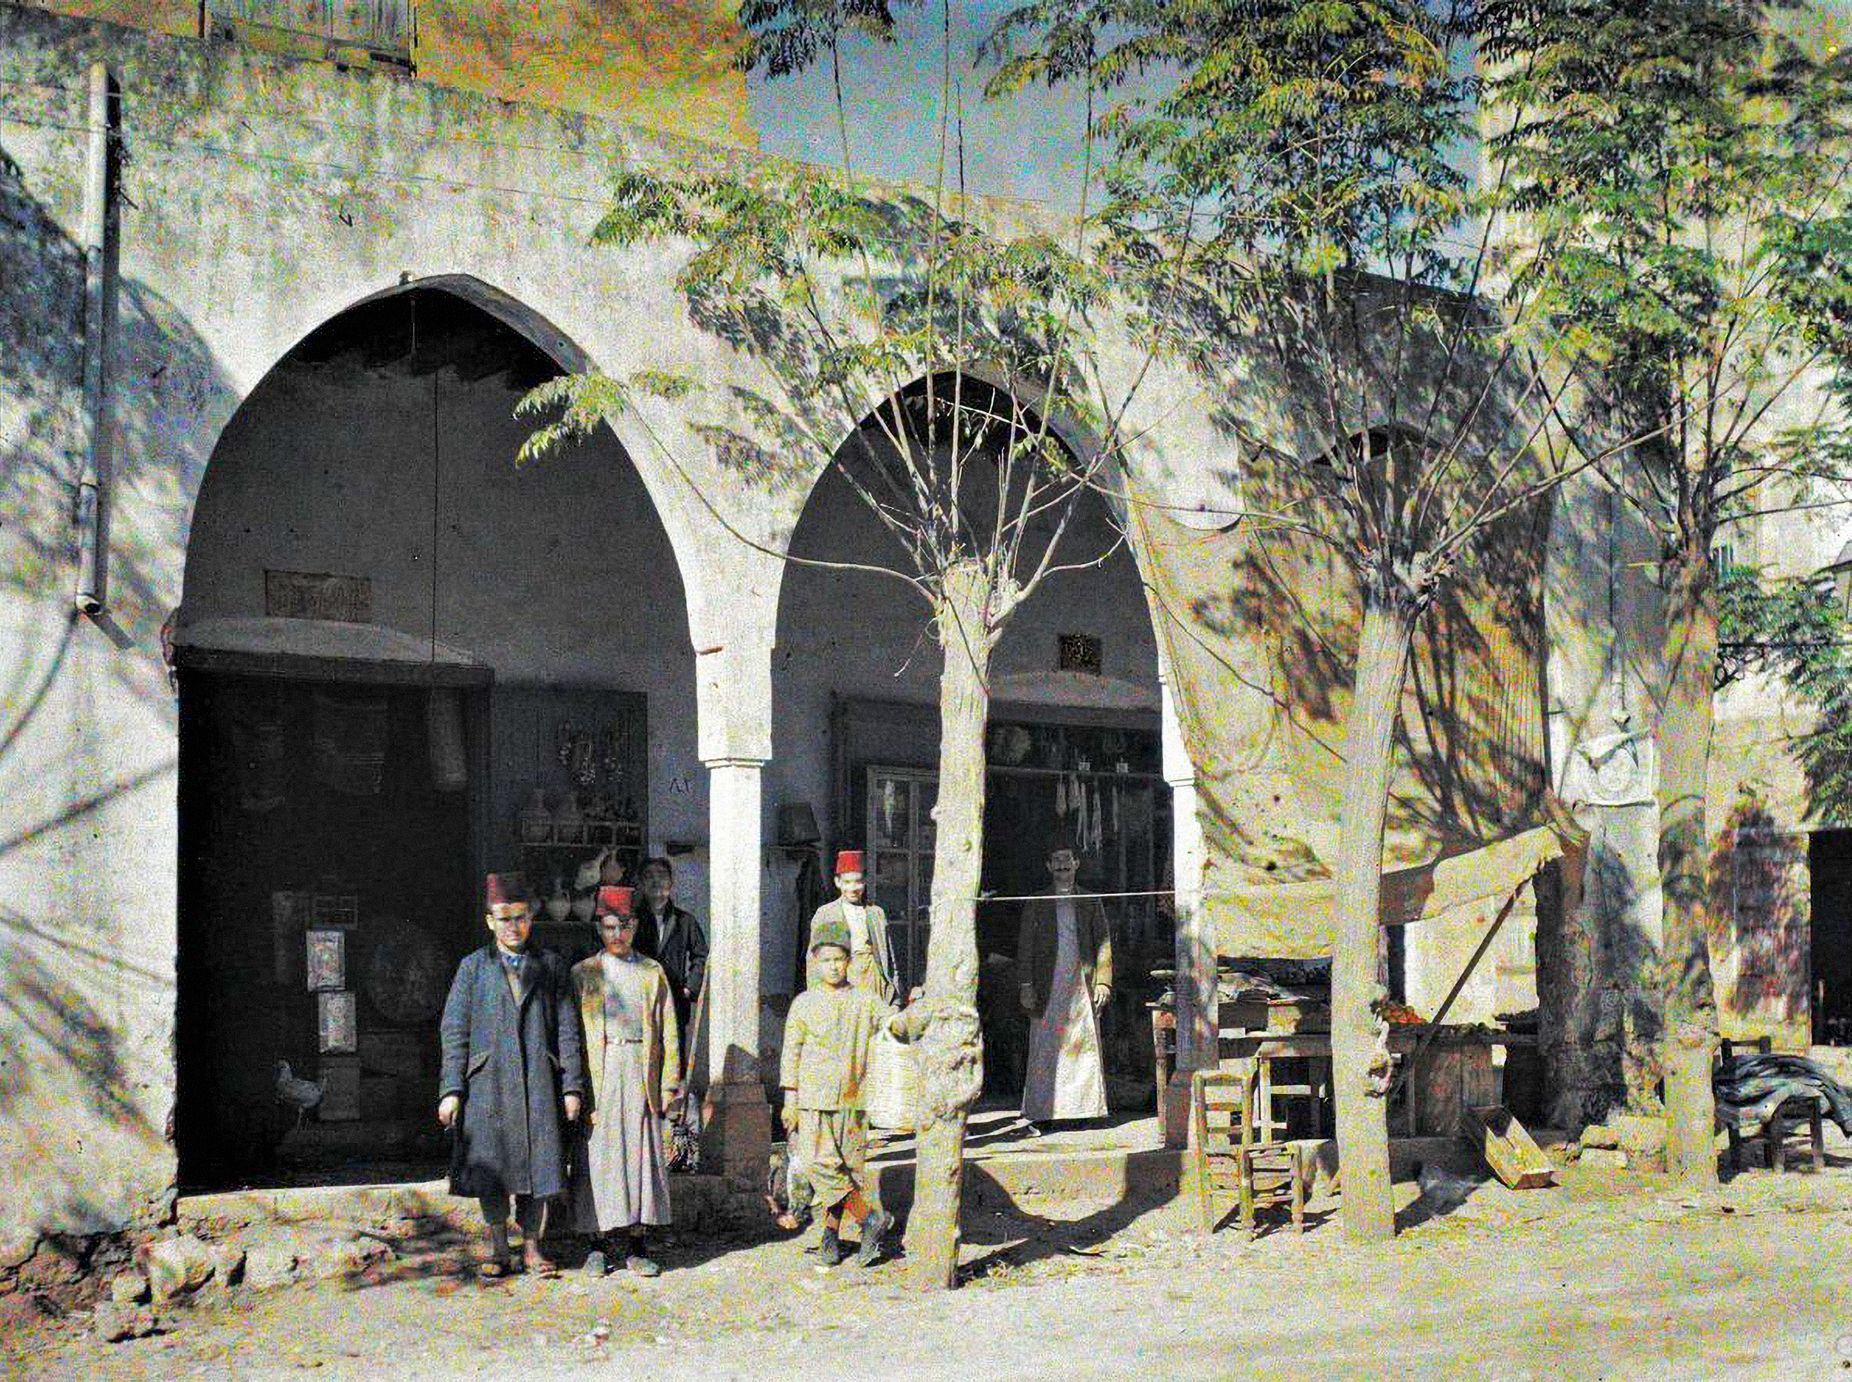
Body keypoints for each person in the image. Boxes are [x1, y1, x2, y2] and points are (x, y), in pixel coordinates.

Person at [438, 872, 585, 1278]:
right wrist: (451, 1090)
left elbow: (568, 1029)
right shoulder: (472, 969)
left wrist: (571, 1086)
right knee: (492, 1169)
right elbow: (455, 1031)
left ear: (531, 917)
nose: (513, 927)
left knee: (539, 1168)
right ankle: (498, 1248)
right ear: (490, 921)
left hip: (539, 1080)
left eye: (520, 918)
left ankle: (533, 1248)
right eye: (504, 919)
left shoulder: (552, 966)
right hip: (488, 1084)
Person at [780, 919, 912, 1267]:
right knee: (818, 1163)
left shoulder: (864, 1001)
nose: (833, 966)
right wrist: (790, 1098)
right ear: (815, 962)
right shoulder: (804, 1004)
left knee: (848, 1170)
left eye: (839, 959)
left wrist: (912, 1014)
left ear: (849, 961)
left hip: (853, 1100)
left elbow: (893, 1023)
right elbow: (790, 1053)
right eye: (826, 960)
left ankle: (830, 1239)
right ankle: (870, 1218)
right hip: (812, 1100)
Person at [570, 885, 680, 1278]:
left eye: (626, 926)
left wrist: (669, 1083)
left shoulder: (652, 973)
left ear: (636, 926)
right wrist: (576, 1087)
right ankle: (597, 1244)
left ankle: (636, 1243)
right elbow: (571, 1035)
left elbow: (668, 1029)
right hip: (600, 1069)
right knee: (599, 1157)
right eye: (610, 926)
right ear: (599, 927)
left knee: (639, 1156)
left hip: (640, 1067)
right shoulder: (585, 974)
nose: (618, 935)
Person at [1017, 845, 1112, 1130]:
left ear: (1076, 863)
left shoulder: (1090, 900)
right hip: (1047, 984)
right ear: (1048, 866)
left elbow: (1103, 942)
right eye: (1056, 860)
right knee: (1046, 1047)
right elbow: (1026, 946)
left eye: (1066, 860)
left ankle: (1084, 1112)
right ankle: (1044, 1114)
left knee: (1082, 1046)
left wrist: (1104, 981)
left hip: (1081, 982)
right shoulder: (1036, 902)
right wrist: (1026, 984)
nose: (1061, 865)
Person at [804, 849, 897, 1003]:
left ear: (865, 881)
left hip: (872, 979)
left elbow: (890, 958)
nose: (853, 888)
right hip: (843, 979)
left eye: (858, 881)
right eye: (847, 882)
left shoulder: (876, 914)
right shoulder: (826, 914)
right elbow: (814, 960)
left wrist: (895, 998)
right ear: (837, 882)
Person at [633, 856, 708, 1040]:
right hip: (639, 1002)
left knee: (674, 1063)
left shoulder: (685, 921)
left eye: (662, 875)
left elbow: (701, 956)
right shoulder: (632, 920)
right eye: (649, 876)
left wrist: (689, 989)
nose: (656, 881)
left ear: (671, 882)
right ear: (641, 884)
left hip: (674, 1001)